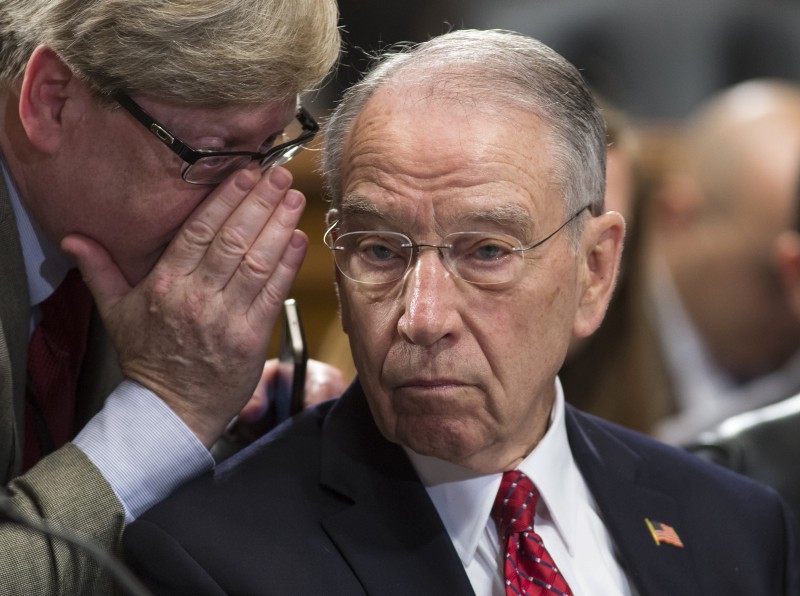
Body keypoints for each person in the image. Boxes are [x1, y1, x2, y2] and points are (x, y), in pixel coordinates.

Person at [123, 29, 799, 595]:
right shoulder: (212, 562)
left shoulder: (736, 525)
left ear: (594, 270)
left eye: (484, 252)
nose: (422, 317)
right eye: (381, 251)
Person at [0, 0, 339, 592]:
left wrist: (226, 427)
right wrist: (170, 406)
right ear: (52, 101)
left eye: (272, 145)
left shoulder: (105, 224)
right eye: (212, 156)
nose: (247, 201)